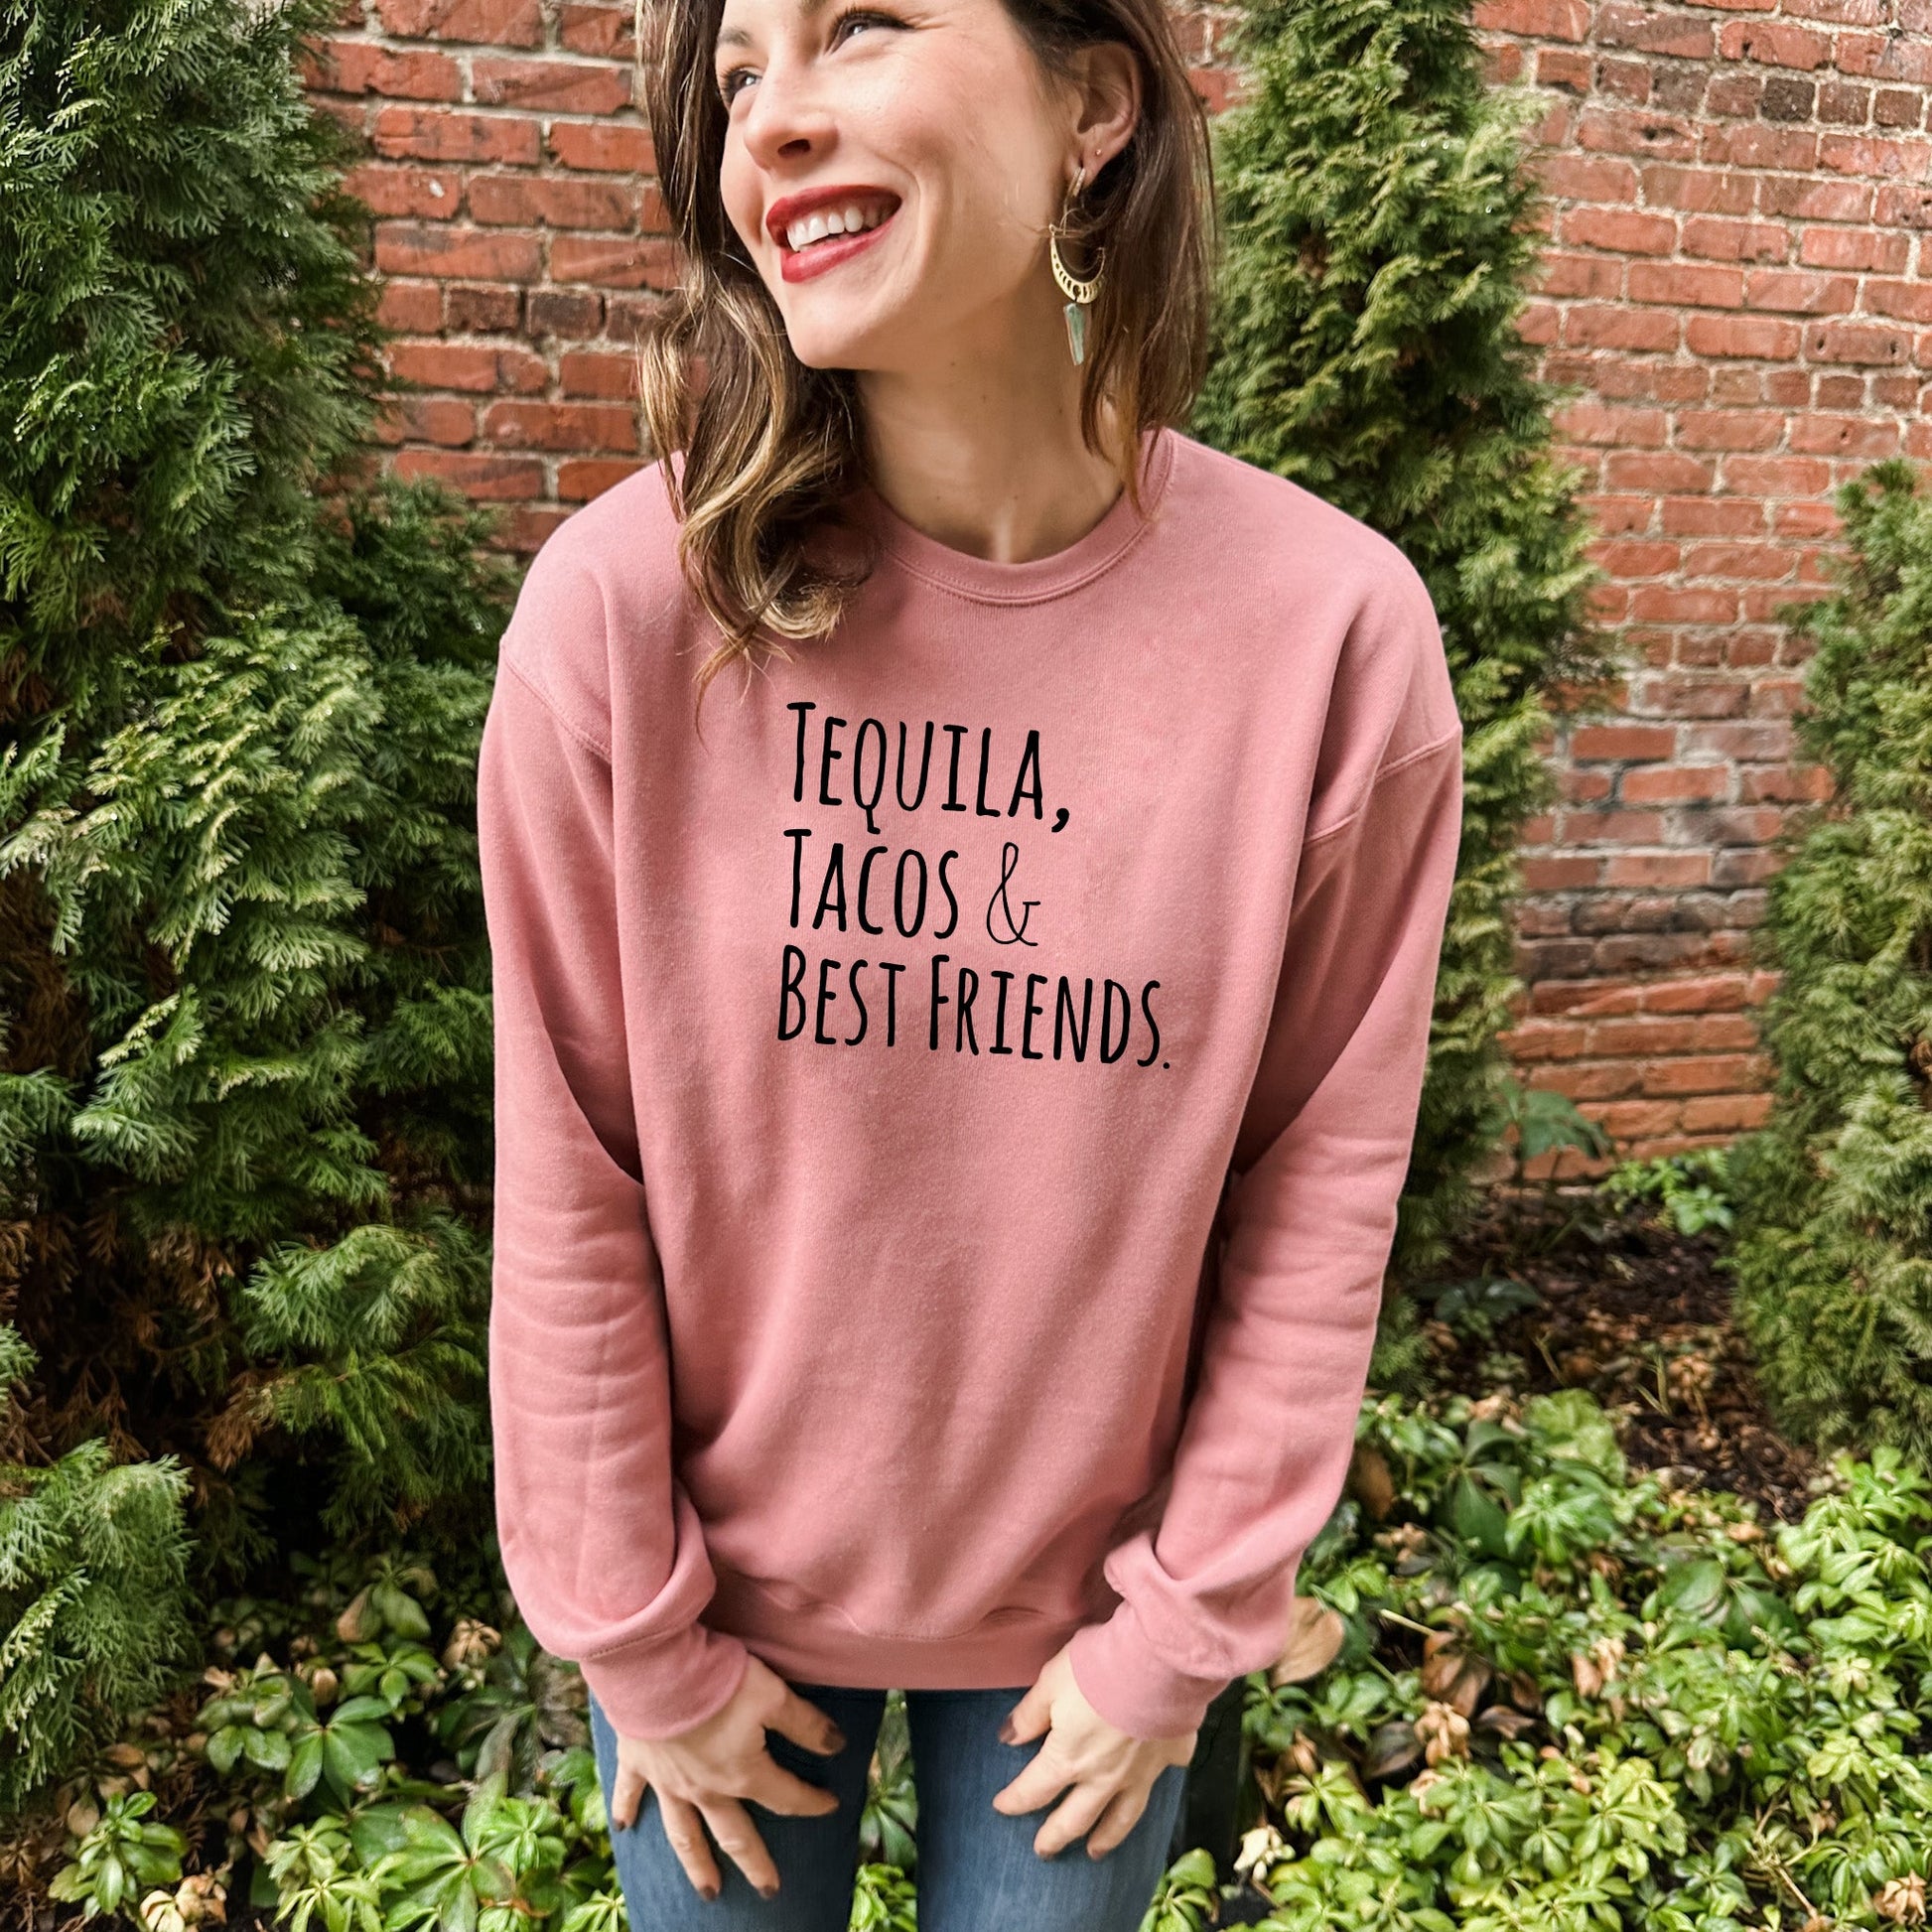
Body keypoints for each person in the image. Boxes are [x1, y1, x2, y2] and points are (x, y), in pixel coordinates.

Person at [475, 0, 1464, 1925]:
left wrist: (1176, 1631)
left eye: (855, 28)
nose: (772, 121)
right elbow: (569, 1163)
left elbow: (1319, 1185)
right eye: (739, 72)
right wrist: (632, 1639)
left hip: (1079, 1648)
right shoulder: (619, 621)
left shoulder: (1329, 642)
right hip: (714, 1644)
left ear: (1092, 104)